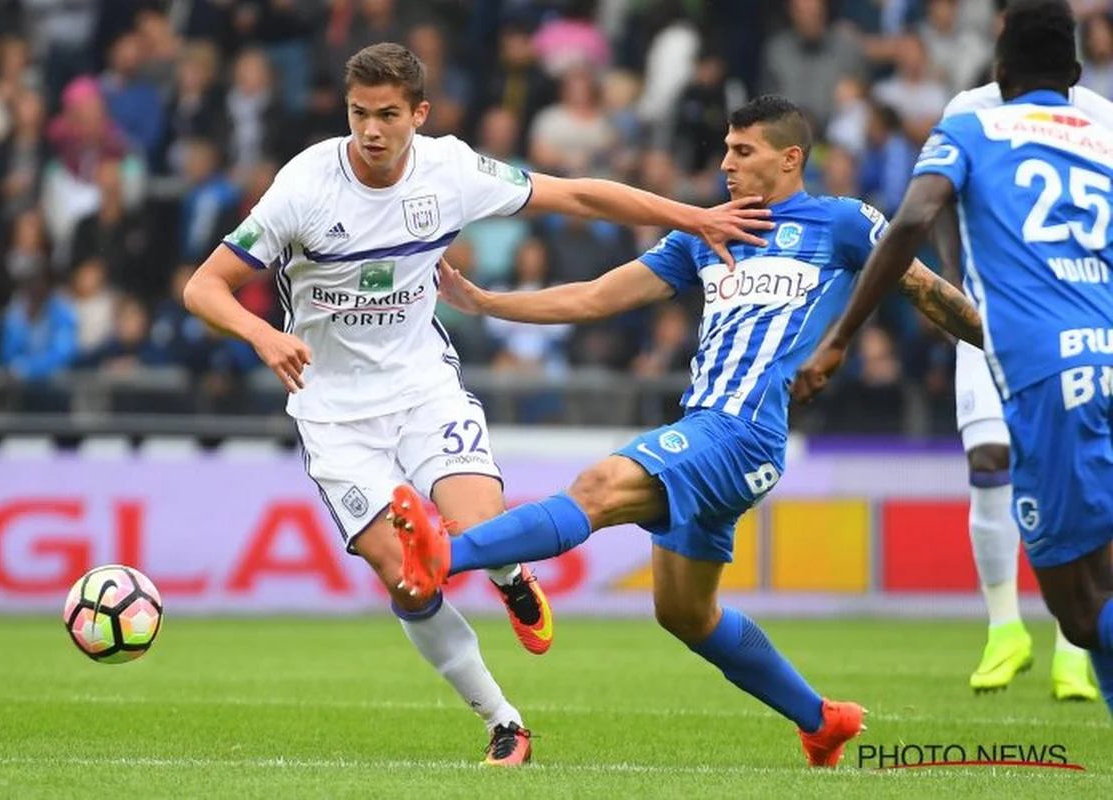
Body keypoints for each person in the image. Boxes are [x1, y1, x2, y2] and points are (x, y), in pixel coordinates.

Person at [182, 42, 772, 766]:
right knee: (408, 578)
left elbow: (580, 193)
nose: (371, 130)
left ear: (419, 115)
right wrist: (260, 335)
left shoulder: (452, 170)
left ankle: (508, 574)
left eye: (389, 115)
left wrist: (693, 218)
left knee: (478, 526)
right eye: (359, 113)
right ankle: (505, 721)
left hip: (423, 385)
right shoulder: (304, 186)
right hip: (333, 409)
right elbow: (203, 287)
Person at [390, 95, 983, 767]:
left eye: (743, 151)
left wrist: (1001, 349)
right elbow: (596, 297)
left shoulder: (839, 222)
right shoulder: (706, 233)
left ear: (790, 159)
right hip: (706, 429)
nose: (726, 163)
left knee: (599, 487)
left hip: (744, 432)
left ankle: (444, 557)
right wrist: (491, 303)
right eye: (726, 149)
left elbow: (927, 290)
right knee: (683, 613)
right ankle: (821, 721)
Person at [794, 0, 1113, 715]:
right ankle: (1014, 635)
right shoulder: (1103, 129)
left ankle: (1042, 638)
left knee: (1083, 611)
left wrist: (842, 335)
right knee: (1094, 575)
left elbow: (913, 216)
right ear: (1074, 67)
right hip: (1098, 344)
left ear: (999, 64)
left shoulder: (972, 119)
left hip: (1039, 360)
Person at [930, 27, 1113, 702]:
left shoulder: (1099, 118)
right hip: (990, 317)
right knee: (987, 460)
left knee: (1081, 485)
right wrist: (956, 285)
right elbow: (939, 200)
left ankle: (1073, 646)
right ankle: (1004, 628)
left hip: (1075, 326)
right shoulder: (968, 109)